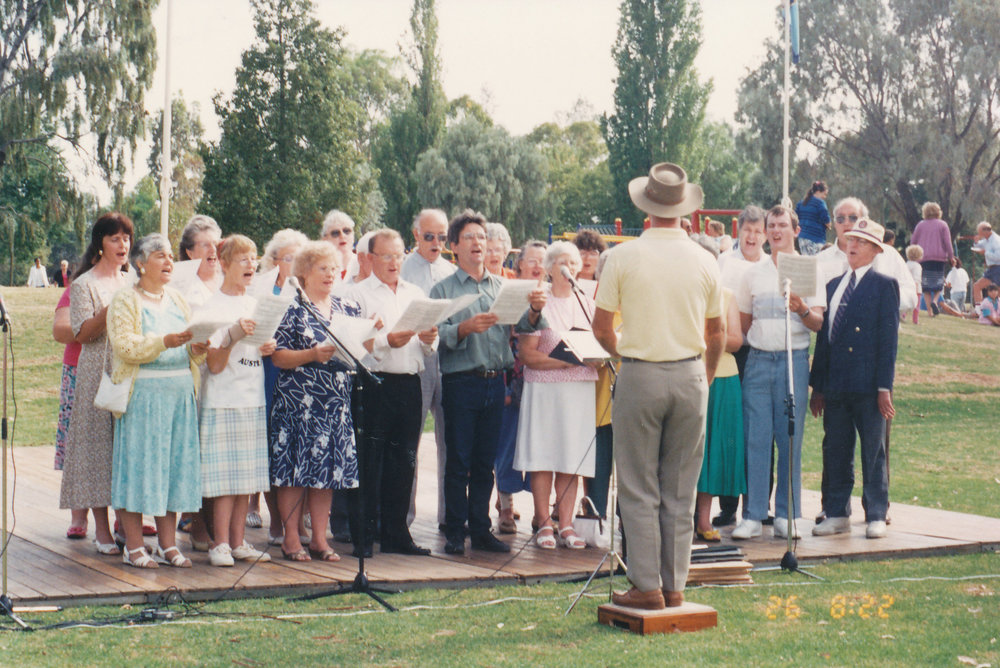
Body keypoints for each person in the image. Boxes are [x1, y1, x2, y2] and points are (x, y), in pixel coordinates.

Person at [593, 162, 724, 610]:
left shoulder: (624, 256)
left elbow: (601, 326)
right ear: (684, 212)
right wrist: (702, 377)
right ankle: (674, 586)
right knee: (681, 486)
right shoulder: (706, 259)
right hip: (690, 374)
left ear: (645, 209)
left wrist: (620, 353)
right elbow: (718, 334)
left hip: (641, 370)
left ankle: (646, 586)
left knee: (637, 483)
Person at [430, 209, 547, 556]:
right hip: (461, 381)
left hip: (495, 382)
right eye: (469, 238)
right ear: (454, 246)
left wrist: (534, 312)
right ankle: (455, 531)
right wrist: (465, 328)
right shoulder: (444, 289)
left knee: (485, 463)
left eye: (482, 238)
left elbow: (522, 330)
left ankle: (481, 529)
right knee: (459, 461)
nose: (478, 243)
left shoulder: (503, 286)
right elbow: (434, 336)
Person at [107, 233, 207, 568]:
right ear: (140, 263)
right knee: (139, 469)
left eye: (169, 256)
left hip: (179, 396)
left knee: (173, 469)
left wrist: (198, 349)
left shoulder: (178, 299)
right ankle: (134, 546)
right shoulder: (125, 299)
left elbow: (191, 348)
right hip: (143, 398)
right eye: (160, 256)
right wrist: (163, 341)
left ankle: (168, 545)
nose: (168, 262)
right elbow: (125, 345)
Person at [732, 205, 826, 541]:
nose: (775, 232)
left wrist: (800, 307)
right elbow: (744, 325)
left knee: (789, 439)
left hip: (793, 360)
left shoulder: (808, 269)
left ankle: (787, 514)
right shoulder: (752, 273)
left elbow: (817, 323)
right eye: (771, 226)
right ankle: (754, 514)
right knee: (755, 438)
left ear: (796, 231)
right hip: (758, 361)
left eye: (782, 226)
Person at [348, 229, 437, 556]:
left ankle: (397, 534)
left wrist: (429, 340)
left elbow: (428, 347)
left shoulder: (415, 292)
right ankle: (364, 536)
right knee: (370, 460)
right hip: (374, 383)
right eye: (386, 256)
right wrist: (387, 341)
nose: (393, 262)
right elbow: (354, 346)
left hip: (409, 383)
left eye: (399, 255)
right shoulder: (358, 296)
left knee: (405, 461)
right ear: (370, 259)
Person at [269, 240, 360, 562]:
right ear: (304, 273)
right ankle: (291, 537)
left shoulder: (348, 308)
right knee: (294, 471)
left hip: (335, 403)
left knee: (327, 473)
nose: (330, 274)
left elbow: (359, 351)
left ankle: (320, 539)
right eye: (323, 268)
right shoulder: (291, 308)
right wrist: (312, 354)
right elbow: (278, 358)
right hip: (298, 404)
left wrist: (371, 336)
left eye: (334, 268)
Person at [810, 218, 899, 540]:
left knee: (872, 451)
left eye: (862, 242)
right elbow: (824, 340)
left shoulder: (883, 284)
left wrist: (883, 387)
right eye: (850, 239)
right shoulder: (833, 285)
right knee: (835, 449)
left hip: (867, 386)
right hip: (835, 386)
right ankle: (836, 512)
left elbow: (888, 343)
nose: (853, 245)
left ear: (876, 250)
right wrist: (817, 386)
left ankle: (876, 511)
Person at [514, 241, 599, 550]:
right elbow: (527, 355)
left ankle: (566, 524)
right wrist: (567, 360)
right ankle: (544, 524)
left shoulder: (588, 304)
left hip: (578, 391)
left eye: (574, 263)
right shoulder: (538, 304)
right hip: (544, 391)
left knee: (571, 457)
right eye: (563, 263)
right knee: (543, 455)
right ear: (549, 268)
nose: (569, 269)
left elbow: (600, 346)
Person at [59, 212, 135, 557]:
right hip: (97, 369)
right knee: (98, 450)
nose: (123, 245)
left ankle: (127, 527)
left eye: (127, 239)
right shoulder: (84, 284)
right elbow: (83, 333)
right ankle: (101, 529)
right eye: (115, 239)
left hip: (129, 368)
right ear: (100, 244)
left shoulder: (132, 280)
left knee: (125, 450)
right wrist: (110, 309)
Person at [198, 235, 274, 567]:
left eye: (253, 258)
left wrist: (264, 346)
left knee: (246, 476)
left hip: (251, 396)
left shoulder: (254, 303)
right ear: (224, 264)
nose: (250, 265)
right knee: (223, 478)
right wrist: (232, 335)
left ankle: (239, 540)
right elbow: (213, 364)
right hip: (222, 399)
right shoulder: (212, 306)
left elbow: (255, 348)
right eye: (242, 259)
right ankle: (220, 544)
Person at [249, 228, 309, 539]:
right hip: (265, 372)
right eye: (290, 258)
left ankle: (296, 524)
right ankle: (277, 521)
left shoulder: (305, 290)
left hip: (300, 378)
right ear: (273, 261)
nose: (297, 264)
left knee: (295, 448)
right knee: (272, 446)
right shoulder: (258, 289)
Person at [712, 205, 768, 527]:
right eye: (747, 229)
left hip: (759, 353)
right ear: (739, 232)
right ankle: (728, 505)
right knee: (730, 432)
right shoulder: (724, 263)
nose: (752, 236)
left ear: (765, 235)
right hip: (730, 355)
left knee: (759, 432)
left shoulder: (770, 266)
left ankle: (759, 504)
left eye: (758, 231)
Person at [400, 208, 455, 533]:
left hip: (448, 357)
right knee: (410, 442)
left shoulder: (451, 269)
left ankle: (449, 518)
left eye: (442, 237)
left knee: (451, 442)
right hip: (415, 360)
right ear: (416, 234)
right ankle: (402, 518)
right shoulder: (402, 268)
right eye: (429, 236)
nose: (436, 243)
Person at [494, 239, 547, 533]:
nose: (538, 265)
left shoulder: (553, 296)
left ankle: (542, 512)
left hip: (543, 383)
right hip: (512, 381)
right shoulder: (508, 294)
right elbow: (500, 341)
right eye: (532, 260)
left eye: (543, 260)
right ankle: (506, 506)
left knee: (541, 447)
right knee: (507, 447)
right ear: (520, 264)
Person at [694, 285, 745, 542]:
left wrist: (713, 337)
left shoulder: (726, 295)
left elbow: (736, 340)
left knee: (713, 450)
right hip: (686, 373)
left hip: (723, 378)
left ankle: (703, 518)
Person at [816, 198, 916, 312]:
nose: (846, 223)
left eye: (853, 218)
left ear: (865, 221)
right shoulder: (819, 260)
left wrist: (881, 300)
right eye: (840, 219)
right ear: (835, 224)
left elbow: (911, 295)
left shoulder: (888, 255)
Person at [53, 284, 87, 539]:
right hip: (79, 367)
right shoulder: (78, 287)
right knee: (79, 442)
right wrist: (95, 326)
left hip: (118, 367)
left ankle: (126, 518)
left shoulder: (127, 281)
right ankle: (79, 514)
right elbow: (61, 330)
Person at [910, 201, 954, 316]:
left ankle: (929, 311)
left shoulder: (920, 225)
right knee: (938, 283)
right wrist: (951, 256)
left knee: (925, 285)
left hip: (923, 258)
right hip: (939, 258)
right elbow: (948, 242)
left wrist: (912, 255)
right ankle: (935, 301)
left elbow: (913, 241)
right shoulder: (943, 225)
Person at [176, 214, 223, 309]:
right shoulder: (183, 288)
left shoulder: (230, 278)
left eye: (215, 244)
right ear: (190, 253)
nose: (213, 249)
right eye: (205, 245)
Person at [795, 181, 831, 256]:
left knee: (807, 261)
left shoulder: (801, 203)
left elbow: (795, 218)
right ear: (818, 192)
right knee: (817, 262)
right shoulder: (820, 203)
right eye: (824, 194)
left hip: (802, 238)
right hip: (816, 238)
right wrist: (829, 225)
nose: (825, 197)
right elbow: (826, 220)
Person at [320, 209, 356, 280]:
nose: (342, 236)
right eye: (335, 233)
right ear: (325, 239)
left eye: (347, 231)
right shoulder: (319, 270)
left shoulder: (364, 265)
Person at [971, 222, 1000, 306]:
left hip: (998, 268)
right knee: (977, 286)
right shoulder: (987, 240)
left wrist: (985, 253)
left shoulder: (996, 240)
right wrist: (976, 242)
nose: (979, 235)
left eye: (980, 232)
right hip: (991, 269)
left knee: (997, 292)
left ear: (986, 231)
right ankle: (979, 310)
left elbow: (998, 256)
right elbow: (979, 245)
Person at [905, 245, 924, 324]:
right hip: (915, 289)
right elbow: (916, 279)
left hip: (906, 287)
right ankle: (915, 320)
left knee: (905, 303)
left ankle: (903, 315)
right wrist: (916, 290)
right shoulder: (917, 266)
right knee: (916, 305)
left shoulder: (906, 264)